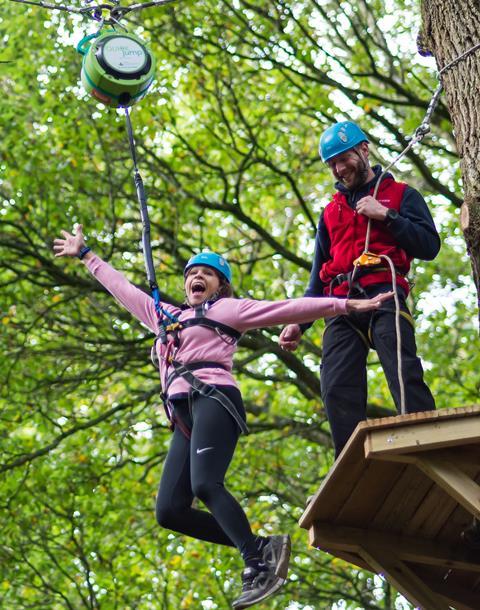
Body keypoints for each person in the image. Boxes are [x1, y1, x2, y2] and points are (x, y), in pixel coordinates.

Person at [53, 225, 392, 608]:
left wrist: (345, 304)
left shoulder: (227, 310)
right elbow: (123, 290)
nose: (197, 278)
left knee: (205, 485)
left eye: (207, 274)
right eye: (191, 274)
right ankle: (261, 546)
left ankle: (256, 562)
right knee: (169, 511)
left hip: (214, 398)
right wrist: (87, 255)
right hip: (183, 416)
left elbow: (287, 308)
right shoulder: (164, 316)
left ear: (221, 286)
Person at [280, 120, 440, 459]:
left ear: (363, 150)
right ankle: (351, 465)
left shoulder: (400, 194)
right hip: (342, 304)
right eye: (332, 164)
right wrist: (299, 322)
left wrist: (387, 216)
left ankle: (429, 441)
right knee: (336, 388)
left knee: (402, 369)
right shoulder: (330, 214)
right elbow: (316, 281)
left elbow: (429, 245)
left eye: (344, 158)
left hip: (383, 293)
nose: (339, 169)